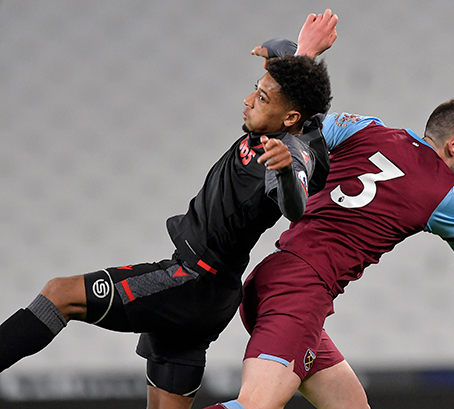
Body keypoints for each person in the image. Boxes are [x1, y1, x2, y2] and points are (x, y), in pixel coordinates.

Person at [0, 10, 338, 409]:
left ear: (290, 118)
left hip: (190, 281)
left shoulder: (293, 153)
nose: (248, 101)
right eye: (255, 88)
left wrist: (282, 172)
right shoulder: (295, 120)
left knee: (60, 293)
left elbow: (294, 206)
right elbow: (289, 68)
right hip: (210, 294)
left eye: (262, 98)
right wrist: (303, 48)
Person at [205, 88, 454, 408]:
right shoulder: (447, 199)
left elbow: (304, 131)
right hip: (301, 293)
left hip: (272, 277)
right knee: (257, 406)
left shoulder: (364, 128)